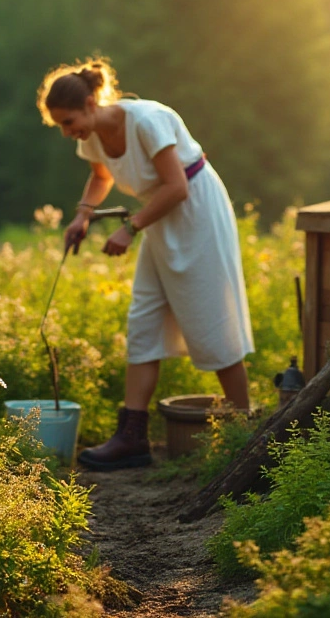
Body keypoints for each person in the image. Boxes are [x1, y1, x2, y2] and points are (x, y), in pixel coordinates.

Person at [37, 58, 255, 471]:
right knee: (144, 320)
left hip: (196, 213)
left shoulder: (148, 120)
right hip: (158, 218)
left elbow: (176, 187)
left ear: (89, 102)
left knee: (211, 318)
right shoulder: (93, 134)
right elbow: (102, 176)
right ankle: (132, 437)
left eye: (69, 122)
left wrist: (130, 229)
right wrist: (82, 214)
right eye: (61, 127)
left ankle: (245, 435)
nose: (68, 134)